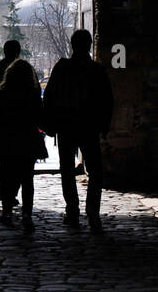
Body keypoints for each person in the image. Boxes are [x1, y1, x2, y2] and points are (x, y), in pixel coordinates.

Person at [42, 29, 114, 232]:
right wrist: (104, 124)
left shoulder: (62, 68)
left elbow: (49, 97)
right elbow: (106, 99)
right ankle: (92, 211)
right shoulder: (96, 70)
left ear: (72, 45)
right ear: (89, 45)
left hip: (66, 126)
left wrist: (49, 124)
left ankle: (72, 209)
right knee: (95, 171)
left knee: (66, 169)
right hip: (89, 126)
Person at [0, 57, 45, 230]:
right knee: (27, 179)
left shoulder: (0, 92)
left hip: (6, 140)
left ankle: (7, 212)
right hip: (27, 140)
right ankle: (27, 214)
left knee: (8, 177)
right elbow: (39, 116)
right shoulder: (32, 94)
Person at [0, 39, 26, 199]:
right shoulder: (24, 69)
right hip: (19, 121)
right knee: (17, 155)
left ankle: (0, 183)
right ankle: (12, 191)